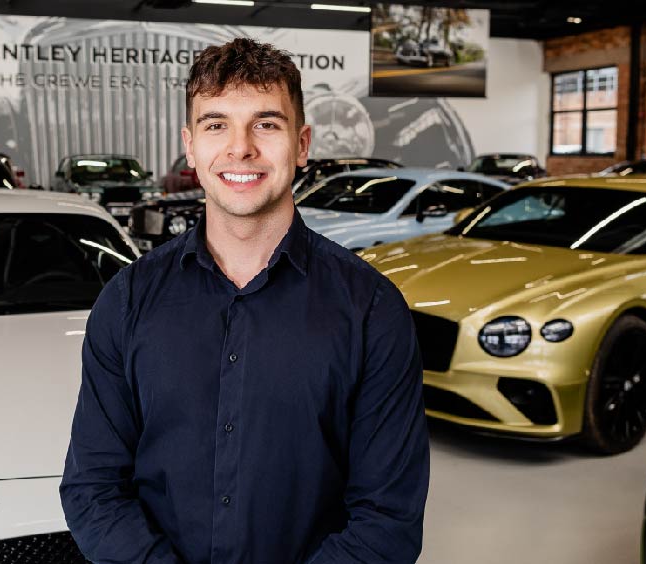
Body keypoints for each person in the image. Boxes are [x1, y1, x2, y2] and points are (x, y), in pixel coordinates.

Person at [60, 37, 429, 564]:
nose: (241, 148)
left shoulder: (371, 310)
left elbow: (387, 519)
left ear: (301, 144)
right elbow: (93, 489)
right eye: (216, 125)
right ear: (190, 146)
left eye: (266, 124)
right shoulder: (127, 302)